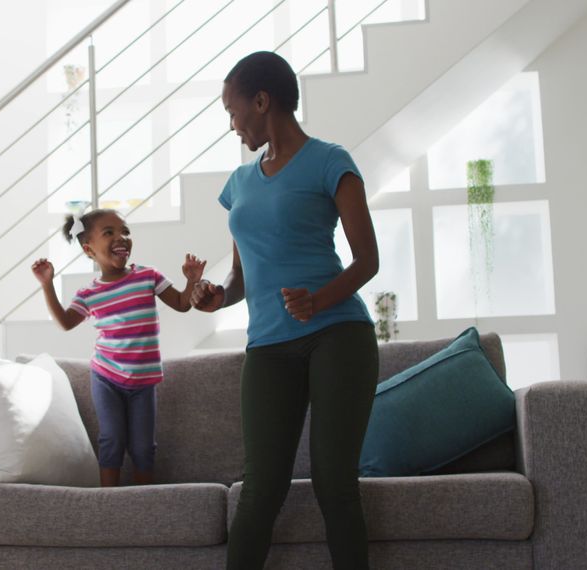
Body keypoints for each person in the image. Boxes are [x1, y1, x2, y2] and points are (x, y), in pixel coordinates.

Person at [191, 51, 380, 569]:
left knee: (333, 482)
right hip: (269, 347)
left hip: (338, 335)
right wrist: (217, 295)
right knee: (260, 490)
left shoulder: (330, 161)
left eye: (233, 111)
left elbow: (368, 259)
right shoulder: (240, 183)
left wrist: (319, 300)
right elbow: (240, 278)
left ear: (261, 100)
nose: (232, 126)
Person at [31, 208, 206, 487]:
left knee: (143, 447)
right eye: (109, 232)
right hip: (106, 377)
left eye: (125, 230)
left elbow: (183, 304)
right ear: (89, 249)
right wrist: (47, 284)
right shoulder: (89, 293)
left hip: (143, 382)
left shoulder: (148, 277)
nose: (121, 237)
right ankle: (108, 503)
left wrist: (192, 281)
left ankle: (142, 503)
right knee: (111, 439)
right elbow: (65, 322)